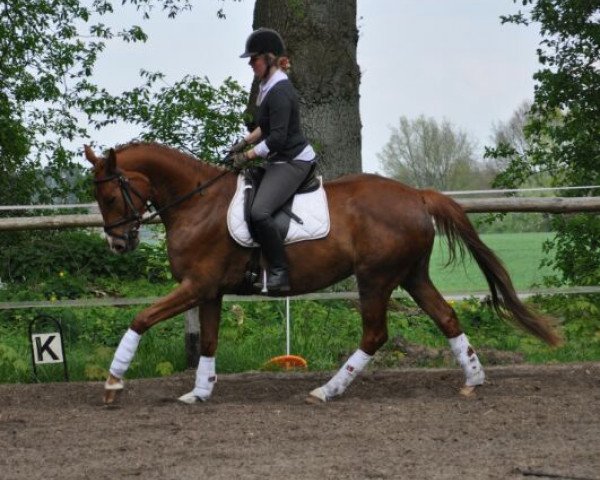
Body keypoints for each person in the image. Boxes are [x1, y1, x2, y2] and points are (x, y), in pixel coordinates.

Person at [229, 28, 317, 293]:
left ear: (268, 59)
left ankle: (279, 272)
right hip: (280, 158)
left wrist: (248, 155)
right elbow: (265, 128)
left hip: (293, 161)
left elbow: (277, 139)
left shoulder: (280, 91)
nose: (249, 63)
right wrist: (243, 142)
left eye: (254, 58)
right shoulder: (269, 86)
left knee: (259, 211)